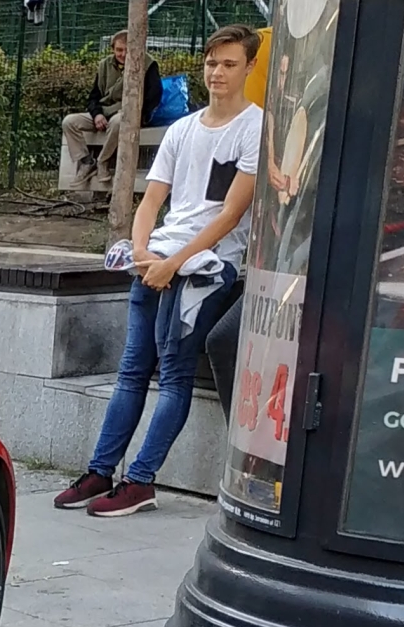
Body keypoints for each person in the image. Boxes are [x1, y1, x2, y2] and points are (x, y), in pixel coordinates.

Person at [56, 25, 262, 518]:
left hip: (206, 270)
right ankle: (100, 471)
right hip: (156, 261)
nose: (217, 72)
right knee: (131, 371)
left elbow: (231, 215)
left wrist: (174, 263)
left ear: (250, 68)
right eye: (212, 62)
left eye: (229, 64)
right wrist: (144, 253)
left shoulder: (256, 128)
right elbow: (151, 200)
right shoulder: (182, 129)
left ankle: (142, 480)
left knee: (173, 376)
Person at [61, 32, 166, 194]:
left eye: (127, 50)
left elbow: (154, 95)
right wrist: (96, 114)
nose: (123, 54)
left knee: (119, 121)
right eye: (119, 50)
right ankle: (87, 161)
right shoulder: (104, 65)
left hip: (129, 113)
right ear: (112, 49)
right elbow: (94, 97)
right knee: (69, 122)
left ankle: (103, 161)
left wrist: (138, 114)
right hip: (104, 112)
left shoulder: (148, 64)